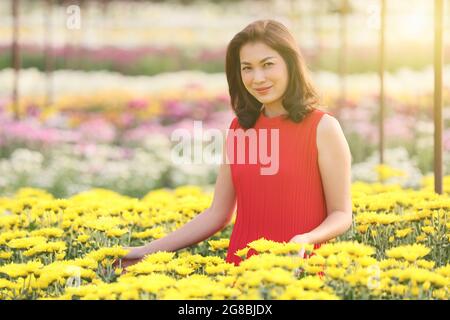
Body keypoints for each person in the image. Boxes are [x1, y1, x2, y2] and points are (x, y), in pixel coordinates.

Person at [116, 19, 352, 270]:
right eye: (247, 68)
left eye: (267, 65)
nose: (257, 78)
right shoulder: (239, 130)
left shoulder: (323, 128)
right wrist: (145, 251)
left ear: (290, 64)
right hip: (239, 276)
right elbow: (218, 214)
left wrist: (306, 239)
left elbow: (341, 214)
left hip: (301, 275)